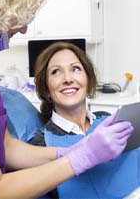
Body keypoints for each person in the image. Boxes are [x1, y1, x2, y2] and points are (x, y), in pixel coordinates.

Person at [0, 0, 133, 199]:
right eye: (21, 15)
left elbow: (6, 146)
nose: (25, 28)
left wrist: (71, 150)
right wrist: (81, 157)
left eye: (76, 69)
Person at [33, 41, 140, 199]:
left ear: (88, 81)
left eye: (75, 69)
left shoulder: (110, 119)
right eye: (56, 72)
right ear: (46, 90)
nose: (68, 79)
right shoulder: (41, 145)